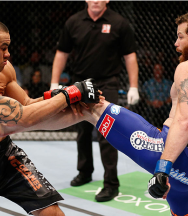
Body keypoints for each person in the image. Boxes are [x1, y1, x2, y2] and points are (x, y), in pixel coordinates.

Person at [0, 11, 188, 215]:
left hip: (164, 152)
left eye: (180, 37)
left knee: (87, 106)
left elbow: (184, 122)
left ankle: (12, 126)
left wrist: (163, 169)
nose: (176, 44)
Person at [0, 18, 101, 216]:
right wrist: (70, 94)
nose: (8, 53)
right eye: (3, 47)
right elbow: (23, 117)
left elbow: (26, 105)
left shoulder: (4, 70)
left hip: (5, 154)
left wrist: (80, 110)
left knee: (53, 214)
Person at [50, 0, 139, 202]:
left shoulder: (119, 22)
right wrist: (54, 82)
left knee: (107, 133)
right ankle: (85, 171)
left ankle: (111, 183)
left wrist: (134, 85)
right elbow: (62, 53)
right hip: (79, 83)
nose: (96, 0)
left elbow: (130, 56)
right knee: (81, 130)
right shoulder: (73, 22)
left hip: (107, 83)